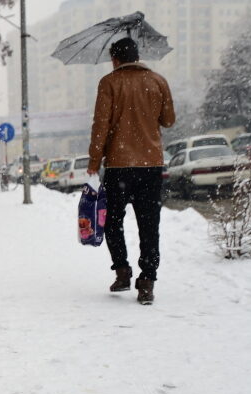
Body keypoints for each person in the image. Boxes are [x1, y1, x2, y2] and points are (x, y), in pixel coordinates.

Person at [86, 37, 175, 305]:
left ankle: (122, 271)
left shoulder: (109, 83)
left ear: (115, 59)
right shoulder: (158, 81)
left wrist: (94, 161)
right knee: (150, 225)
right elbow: (169, 121)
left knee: (112, 221)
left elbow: (100, 125)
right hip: (151, 165)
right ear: (137, 56)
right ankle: (147, 281)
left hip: (119, 165)